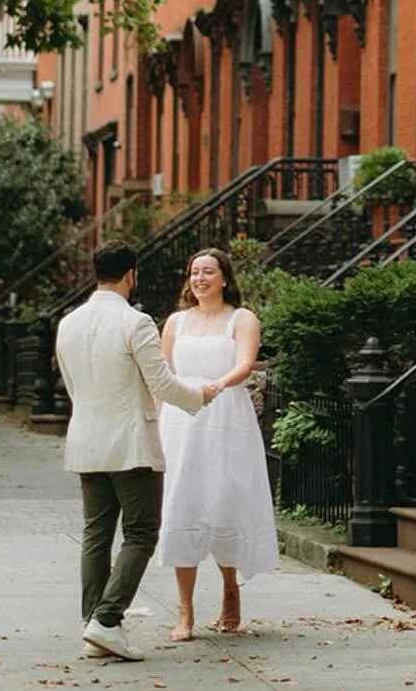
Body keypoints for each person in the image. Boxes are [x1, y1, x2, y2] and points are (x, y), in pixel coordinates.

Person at [54, 240, 216, 662]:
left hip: (87, 439)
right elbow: (161, 383)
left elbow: (72, 386)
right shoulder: (136, 322)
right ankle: (106, 620)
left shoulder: (68, 323)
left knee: (96, 534)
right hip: (130, 444)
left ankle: (94, 625)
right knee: (141, 533)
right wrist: (201, 394)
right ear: (131, 275)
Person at [156, 247, 280, 640]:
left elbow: (245, 363)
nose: (200, 278)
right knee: (182, 503)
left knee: (224, 501)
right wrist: (155, 421)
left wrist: (218, 386)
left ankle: (230, 590)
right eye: (194, 272)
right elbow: (163, 374)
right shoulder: (175, 323)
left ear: (224, 278)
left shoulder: (242, 319)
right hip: (181, 421)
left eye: (208, 272)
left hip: (226, 415)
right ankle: (185, 612)